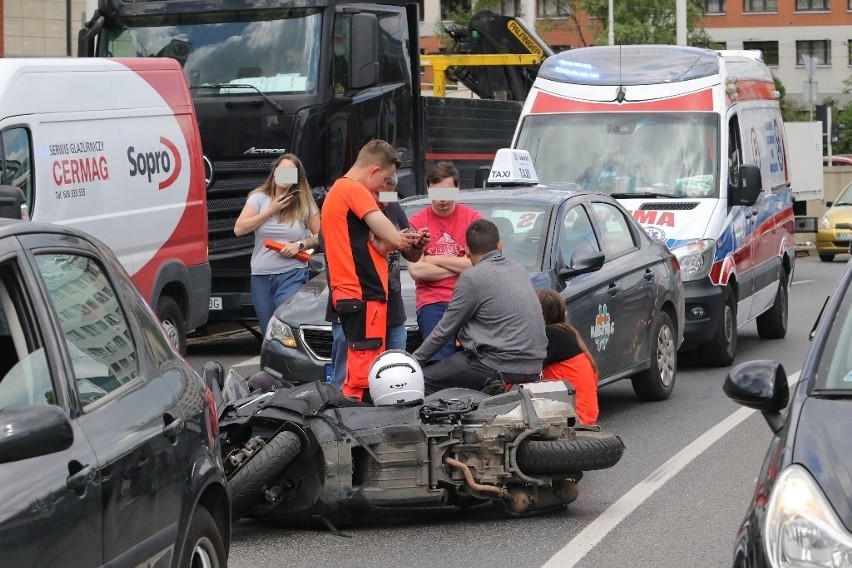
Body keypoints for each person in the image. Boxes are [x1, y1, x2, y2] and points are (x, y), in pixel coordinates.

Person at [321, 139, 421, 401]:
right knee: (365, 374)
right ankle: (358, 423)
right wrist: (401, 239)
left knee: (361, 369)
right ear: (374, 171)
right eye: (385, 179)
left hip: (353, 292)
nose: (383, 190)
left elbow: (377, 244)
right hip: (363, 292)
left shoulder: (338, 193)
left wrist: (391, 241)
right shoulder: (354, 190)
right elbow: (394, 238)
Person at [412, 219, 547, 395]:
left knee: (420, 382)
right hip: (534, 366)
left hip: (496, 365)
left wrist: (412, 362)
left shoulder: (471, 278)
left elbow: (444, 330)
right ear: (500, 245)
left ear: (467, 250)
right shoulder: (519, 269)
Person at [234, 154, 320, 335]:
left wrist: (300, 245)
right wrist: (270, 211)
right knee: (269, 331)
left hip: (292, 273)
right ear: (274, 174)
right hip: (261, 276)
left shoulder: (304, 202)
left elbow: (321, 234)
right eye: (282, 171)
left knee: (286, 326)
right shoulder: (258, 198)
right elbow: (239, 229)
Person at [407, 162, 483, 362]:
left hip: (470, 299)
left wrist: (434, 259)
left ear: (457, 189)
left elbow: (481, 262)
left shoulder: (473, 218)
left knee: (480, 360)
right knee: (439, 364)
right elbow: (416, 271)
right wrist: (461, 264)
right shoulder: (416, 222)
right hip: (433, 302)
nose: (442, 199)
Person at [534, 289, 600, 425]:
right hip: (587, 417)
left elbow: (523, 369)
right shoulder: (567, 333)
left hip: (573, 421)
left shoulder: (550, 335)